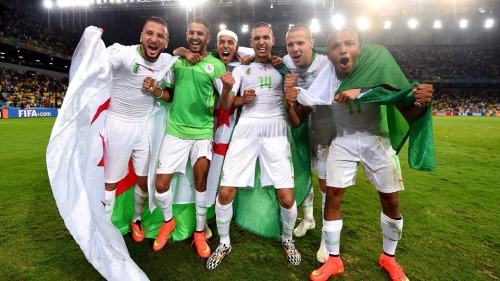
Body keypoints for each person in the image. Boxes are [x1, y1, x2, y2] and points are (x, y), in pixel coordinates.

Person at [300, 28, 434, 281]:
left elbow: (411, 115)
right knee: (332, 196)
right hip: (343, 140)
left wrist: (420, 103)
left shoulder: (378, 75)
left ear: (360, 48)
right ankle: (334, 260)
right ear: (327, 54)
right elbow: (303, 79)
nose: (342, 48)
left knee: (391, 201)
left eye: (349, 43)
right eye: (335, 45)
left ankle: (389, 258)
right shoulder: (325, 78)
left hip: (378, 140)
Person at [206, 22, 301, 270]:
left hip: (276, 129)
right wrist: (227, 87)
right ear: (252, 40)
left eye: (265, 37)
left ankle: (288, 239)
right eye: (256, 38)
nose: (261, 42)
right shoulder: (241, 69)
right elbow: (226, 106)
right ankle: (224, 243)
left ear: (272, 39)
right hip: (246, 128)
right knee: (226, 191)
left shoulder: (284, 67)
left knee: (286, 195)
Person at [146, 17, 226, 258]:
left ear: (207, 38)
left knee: (201, 183)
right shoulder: (177, 62)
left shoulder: (216, 66)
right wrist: (158, 92)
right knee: (161, 185)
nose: (194, 37)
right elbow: (170, 93)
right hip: (175, 131)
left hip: (202, 133)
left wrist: (229, 91)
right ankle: (168, 221)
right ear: (186, 34)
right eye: (191, 32)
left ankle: (199, 232)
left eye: (200, 33)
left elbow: (223, 101)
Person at [101, 16, 171, 243]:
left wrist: (157, 91)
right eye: (149, 33)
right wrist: (94, 46)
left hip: (145, 127)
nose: (154, 39)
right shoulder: (124, 54)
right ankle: (103, 228)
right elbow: (101, 66)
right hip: (117, 124)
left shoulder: (168, 62)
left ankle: (137, 219)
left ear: (166, 42)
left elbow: (172, 94)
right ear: (141, 36)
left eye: (160, 36)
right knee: (110, 181)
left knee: (144, 180)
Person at [282, 23, 333, 263]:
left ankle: (327, 234)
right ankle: (309, 218)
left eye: (300, 42)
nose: (295, 48)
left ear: (312, 42)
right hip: (301, 124)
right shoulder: (286, 62)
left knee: (326, 182)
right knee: (303, 172)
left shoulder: (326, 61)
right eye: (291, 44)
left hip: (325, 126)